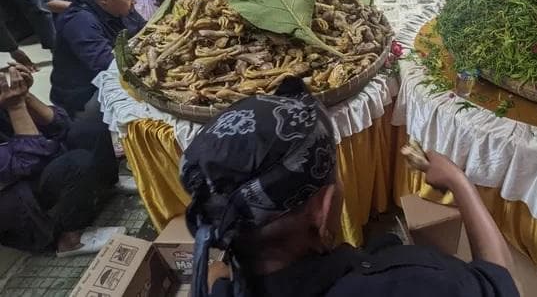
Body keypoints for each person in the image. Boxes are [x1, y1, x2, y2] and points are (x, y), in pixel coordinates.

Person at [181, 79, 518, 297]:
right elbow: (501, 282)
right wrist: (460, 184)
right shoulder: (413, 283)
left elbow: (217, 271)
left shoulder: (222, 285)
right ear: (324, 207)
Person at [0, 63, 124, 255]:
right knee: (76, 163)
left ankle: (105, 187)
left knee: (90, 129)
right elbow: (30, 161)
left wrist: (27, 97)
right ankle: (68, 241)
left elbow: (62, 126)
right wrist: (16, 107)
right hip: (15, 196)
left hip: (31, 164)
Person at [51, 0, 145, 117]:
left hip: (115, 72)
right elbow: (111, 66)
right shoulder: (80, 21)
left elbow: (145, 31)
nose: (134, 0)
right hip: (85, 96)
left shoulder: (121, 7)